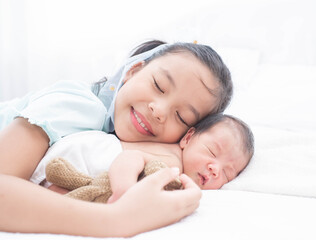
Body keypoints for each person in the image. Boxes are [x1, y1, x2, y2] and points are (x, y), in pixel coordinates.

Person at [0, 39, 233, 237]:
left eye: (181, 117)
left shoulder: (109, 144)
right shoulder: (79, 104)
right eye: (158, 86)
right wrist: (116, 219)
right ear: (133, 71)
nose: (159, 110)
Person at [38, 114, 254, 201]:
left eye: (227, 173)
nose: (216, 168)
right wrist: (125, 191)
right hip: (85, 154)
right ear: (188, 138)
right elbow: (130, 158)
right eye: (212, 152)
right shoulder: (172, 160)